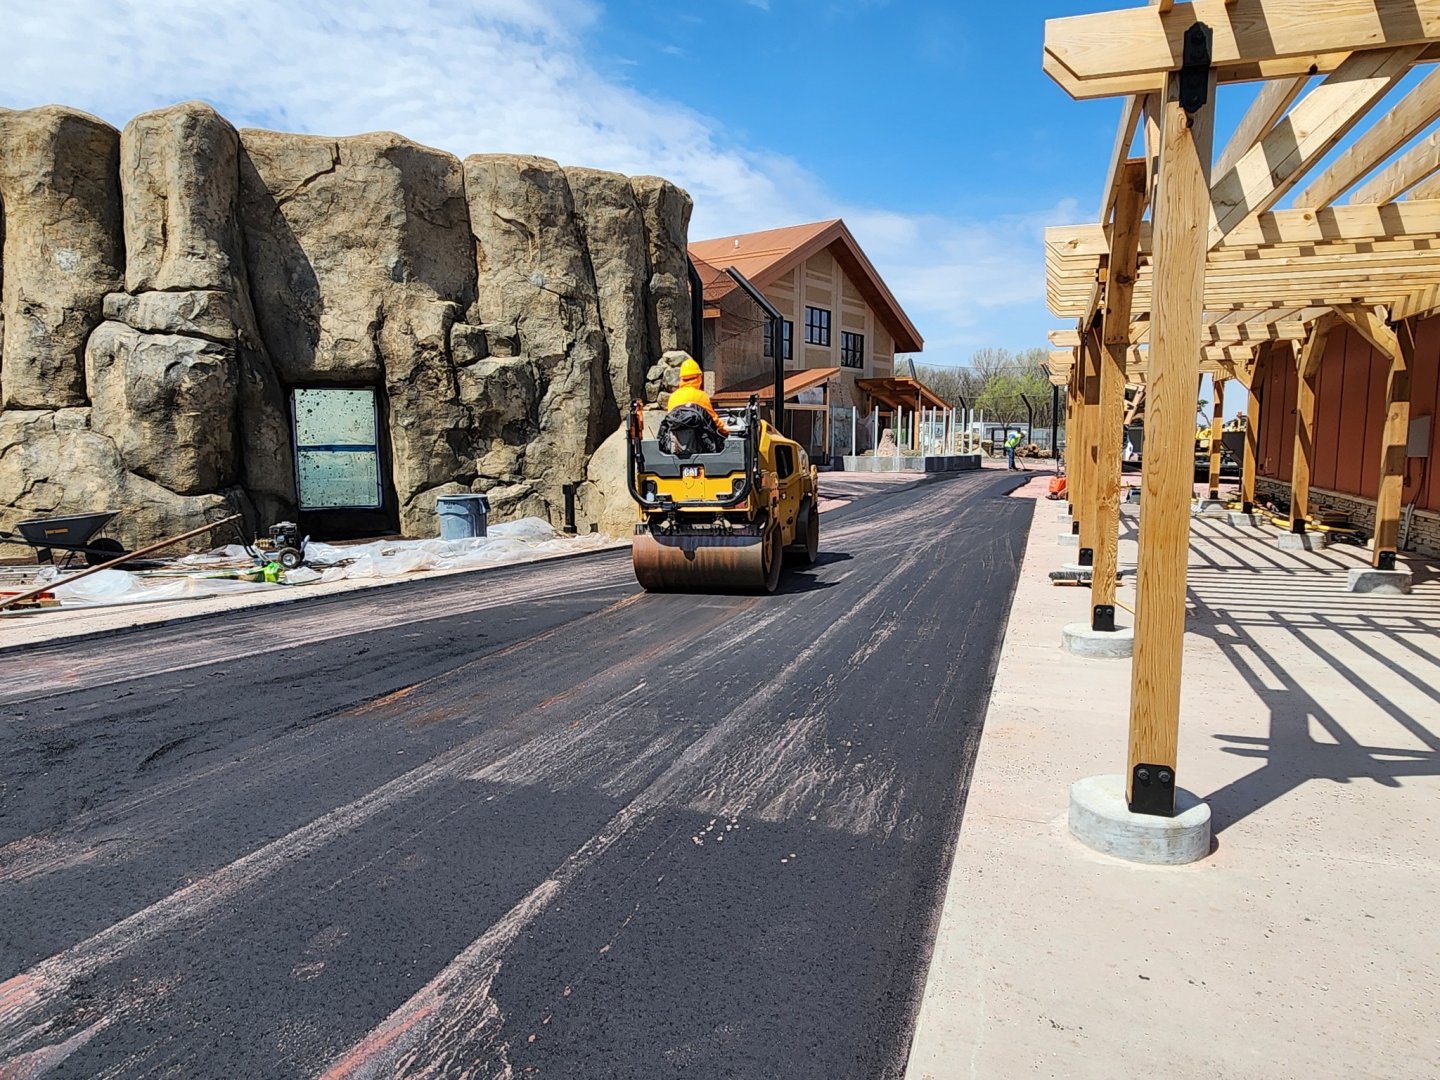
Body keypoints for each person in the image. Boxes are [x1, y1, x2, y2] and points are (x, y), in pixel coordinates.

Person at [666, 356, 729, 437]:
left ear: (681, 379)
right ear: (699, 377)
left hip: (677, 443)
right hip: (700, 442)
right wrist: (727, 430)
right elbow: (714, 421)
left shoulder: (673, 397)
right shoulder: (701, 396)